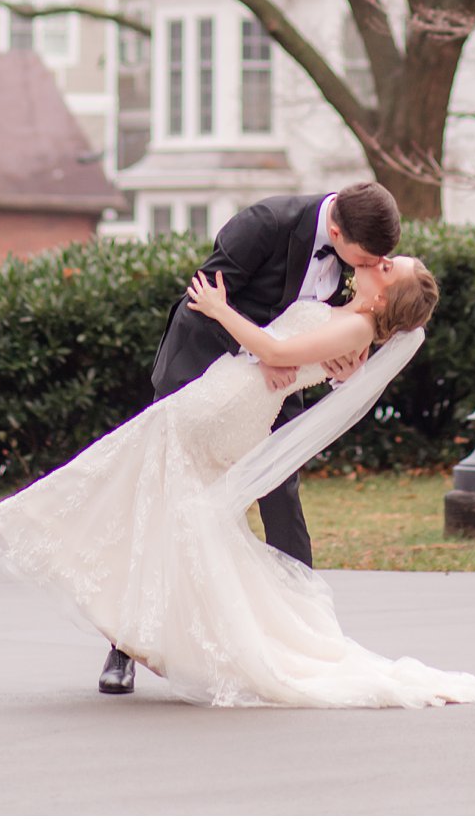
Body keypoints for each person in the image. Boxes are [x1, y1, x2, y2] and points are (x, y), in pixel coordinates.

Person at [0, 245, 475, 709]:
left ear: (383, 297)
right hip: (231, 405)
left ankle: (11, 525)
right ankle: (134, 621)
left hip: (228, 408)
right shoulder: (353, 323)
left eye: (389, 268)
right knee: (149, 492)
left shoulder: (356, 327)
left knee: (118, 466)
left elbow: (275, 350)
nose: (380, 261)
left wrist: (219, 309)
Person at [96, 182, 400, 694]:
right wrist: (266, 355)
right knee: (169, 501)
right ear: (335, 230)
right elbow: (205, 299)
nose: (371, 268)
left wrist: (332, 357)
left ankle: (306, 637)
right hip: (205, 375)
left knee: (282, 495)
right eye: (366, 258)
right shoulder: (265, 222)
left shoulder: (360, 252)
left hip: (273, 391)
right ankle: (124, 646)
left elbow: (337, 323)